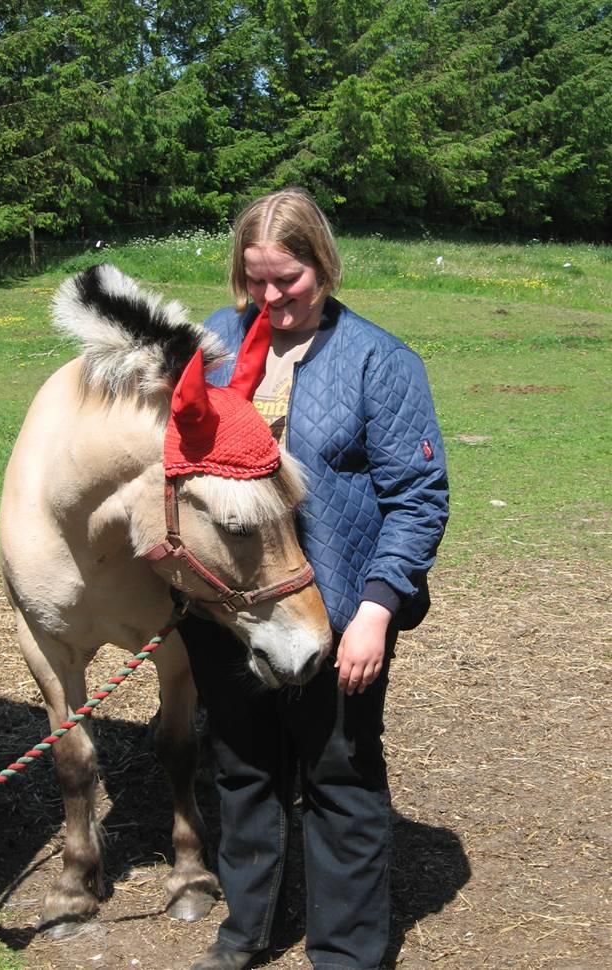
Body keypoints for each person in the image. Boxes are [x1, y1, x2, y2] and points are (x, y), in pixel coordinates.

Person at [179, 188, 449, 970]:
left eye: (287, 280)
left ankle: (346, 954)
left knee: (340, 776)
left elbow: (417, 500)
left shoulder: (380, 361)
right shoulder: (213, 345)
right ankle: (246, 932)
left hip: (336, 614)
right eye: (254, 279)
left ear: (323, 266)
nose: (270, 299)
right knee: (243, 766)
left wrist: (377, 609)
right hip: (231, 612)